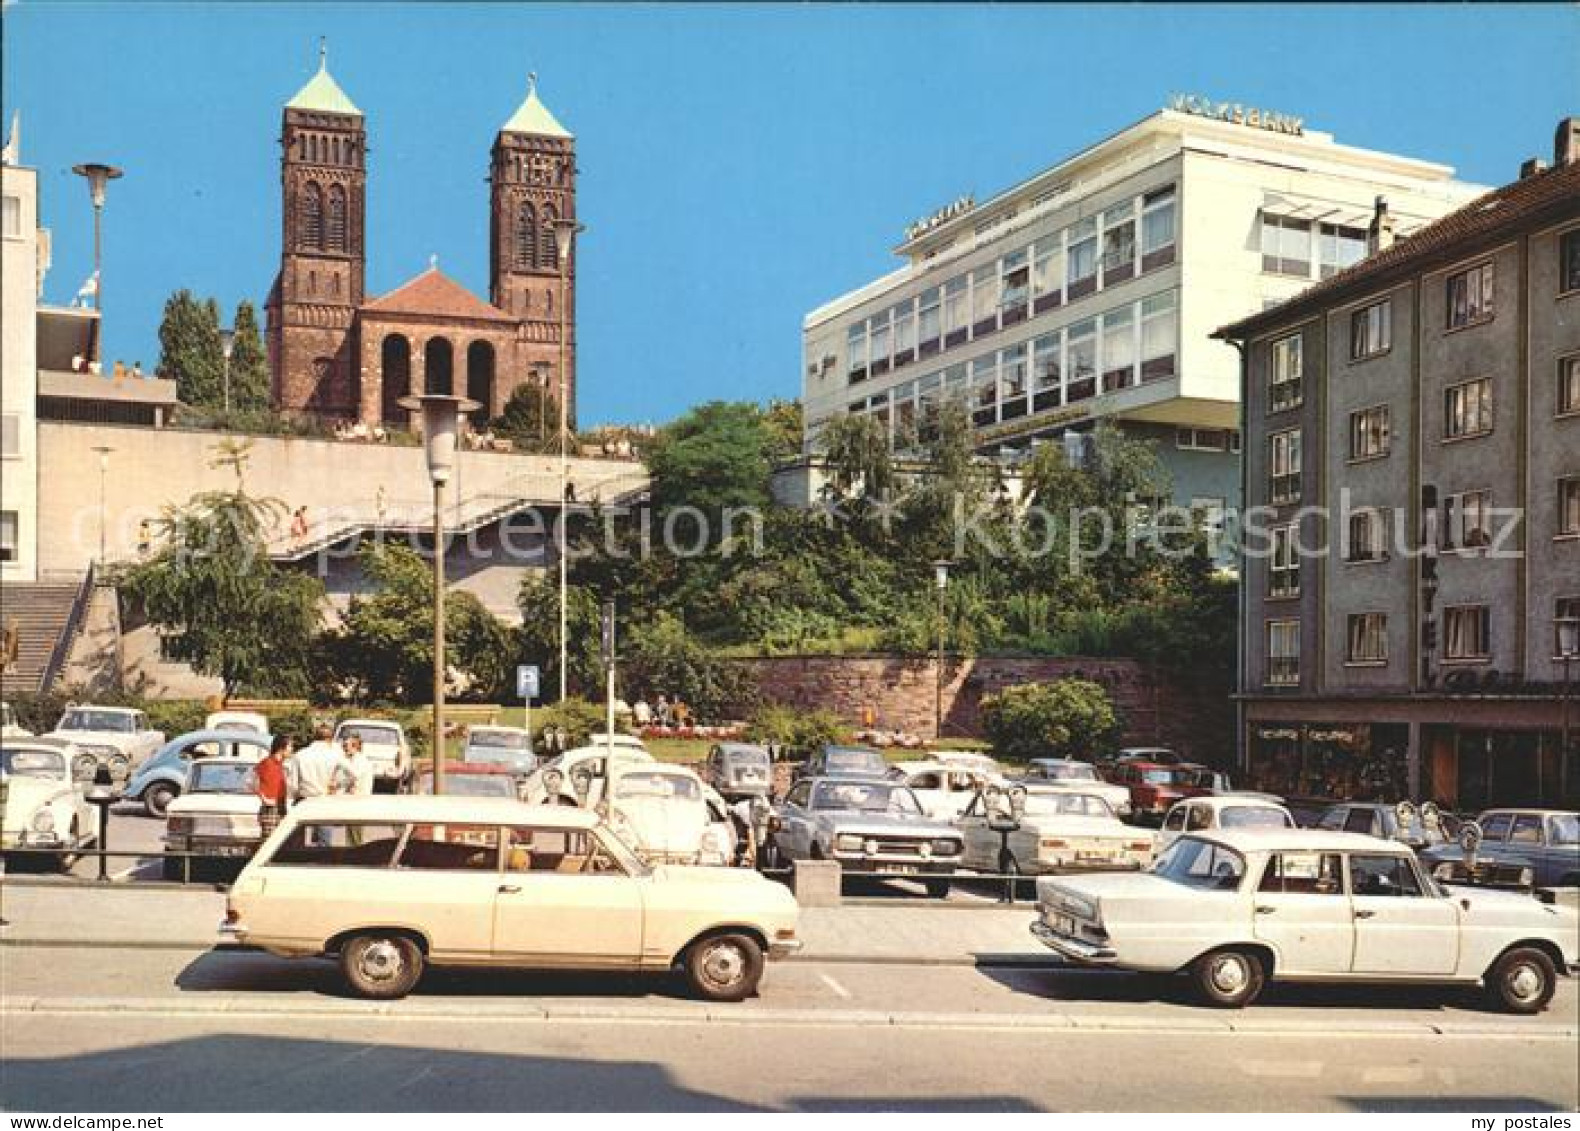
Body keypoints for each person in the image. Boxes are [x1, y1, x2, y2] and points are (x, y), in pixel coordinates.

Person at [293, 723, 350, 844]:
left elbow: (293, 785)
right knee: (324, 842)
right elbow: (351, 775)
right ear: (330, 739)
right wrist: (337, 786)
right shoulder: (335, 755)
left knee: (297, 841)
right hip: (325, 799)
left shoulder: (300, 755)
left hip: (304, 799)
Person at [255, 735, 293, 837]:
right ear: (281, 748)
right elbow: (250, 781)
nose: (291, 749)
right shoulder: (267, 762)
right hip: (271, 808)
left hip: (281, 806)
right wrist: (264, 798)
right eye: (290, 746)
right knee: (269, 841)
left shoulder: (282, 764)